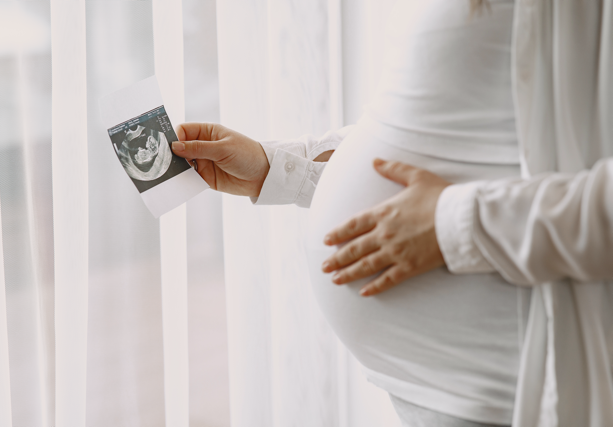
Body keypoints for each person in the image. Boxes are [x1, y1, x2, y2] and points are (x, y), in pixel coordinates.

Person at [171, 0, 613, 426]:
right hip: (435, 391)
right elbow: (445, 132)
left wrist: (455, 223)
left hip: (496, 386)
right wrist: (278, 168)